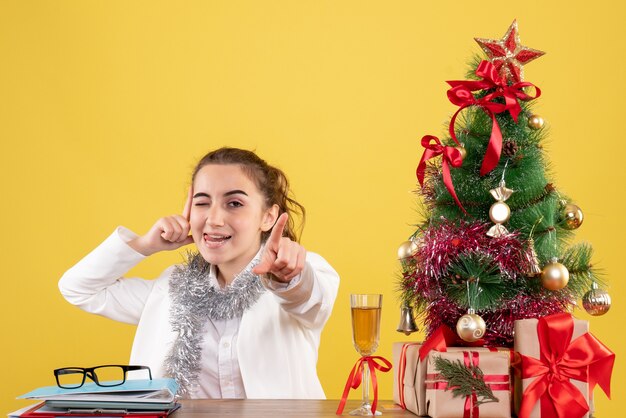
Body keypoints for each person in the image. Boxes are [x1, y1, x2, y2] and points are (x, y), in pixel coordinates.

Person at [58, 147, 340, 399]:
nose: (213, 219)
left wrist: (287, 277)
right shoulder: (170, 288)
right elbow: (78, 288)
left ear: (268, 217)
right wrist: (145, 244)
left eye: (234, 203)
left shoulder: (300, 270)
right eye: (202, 202)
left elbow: (310, 299)